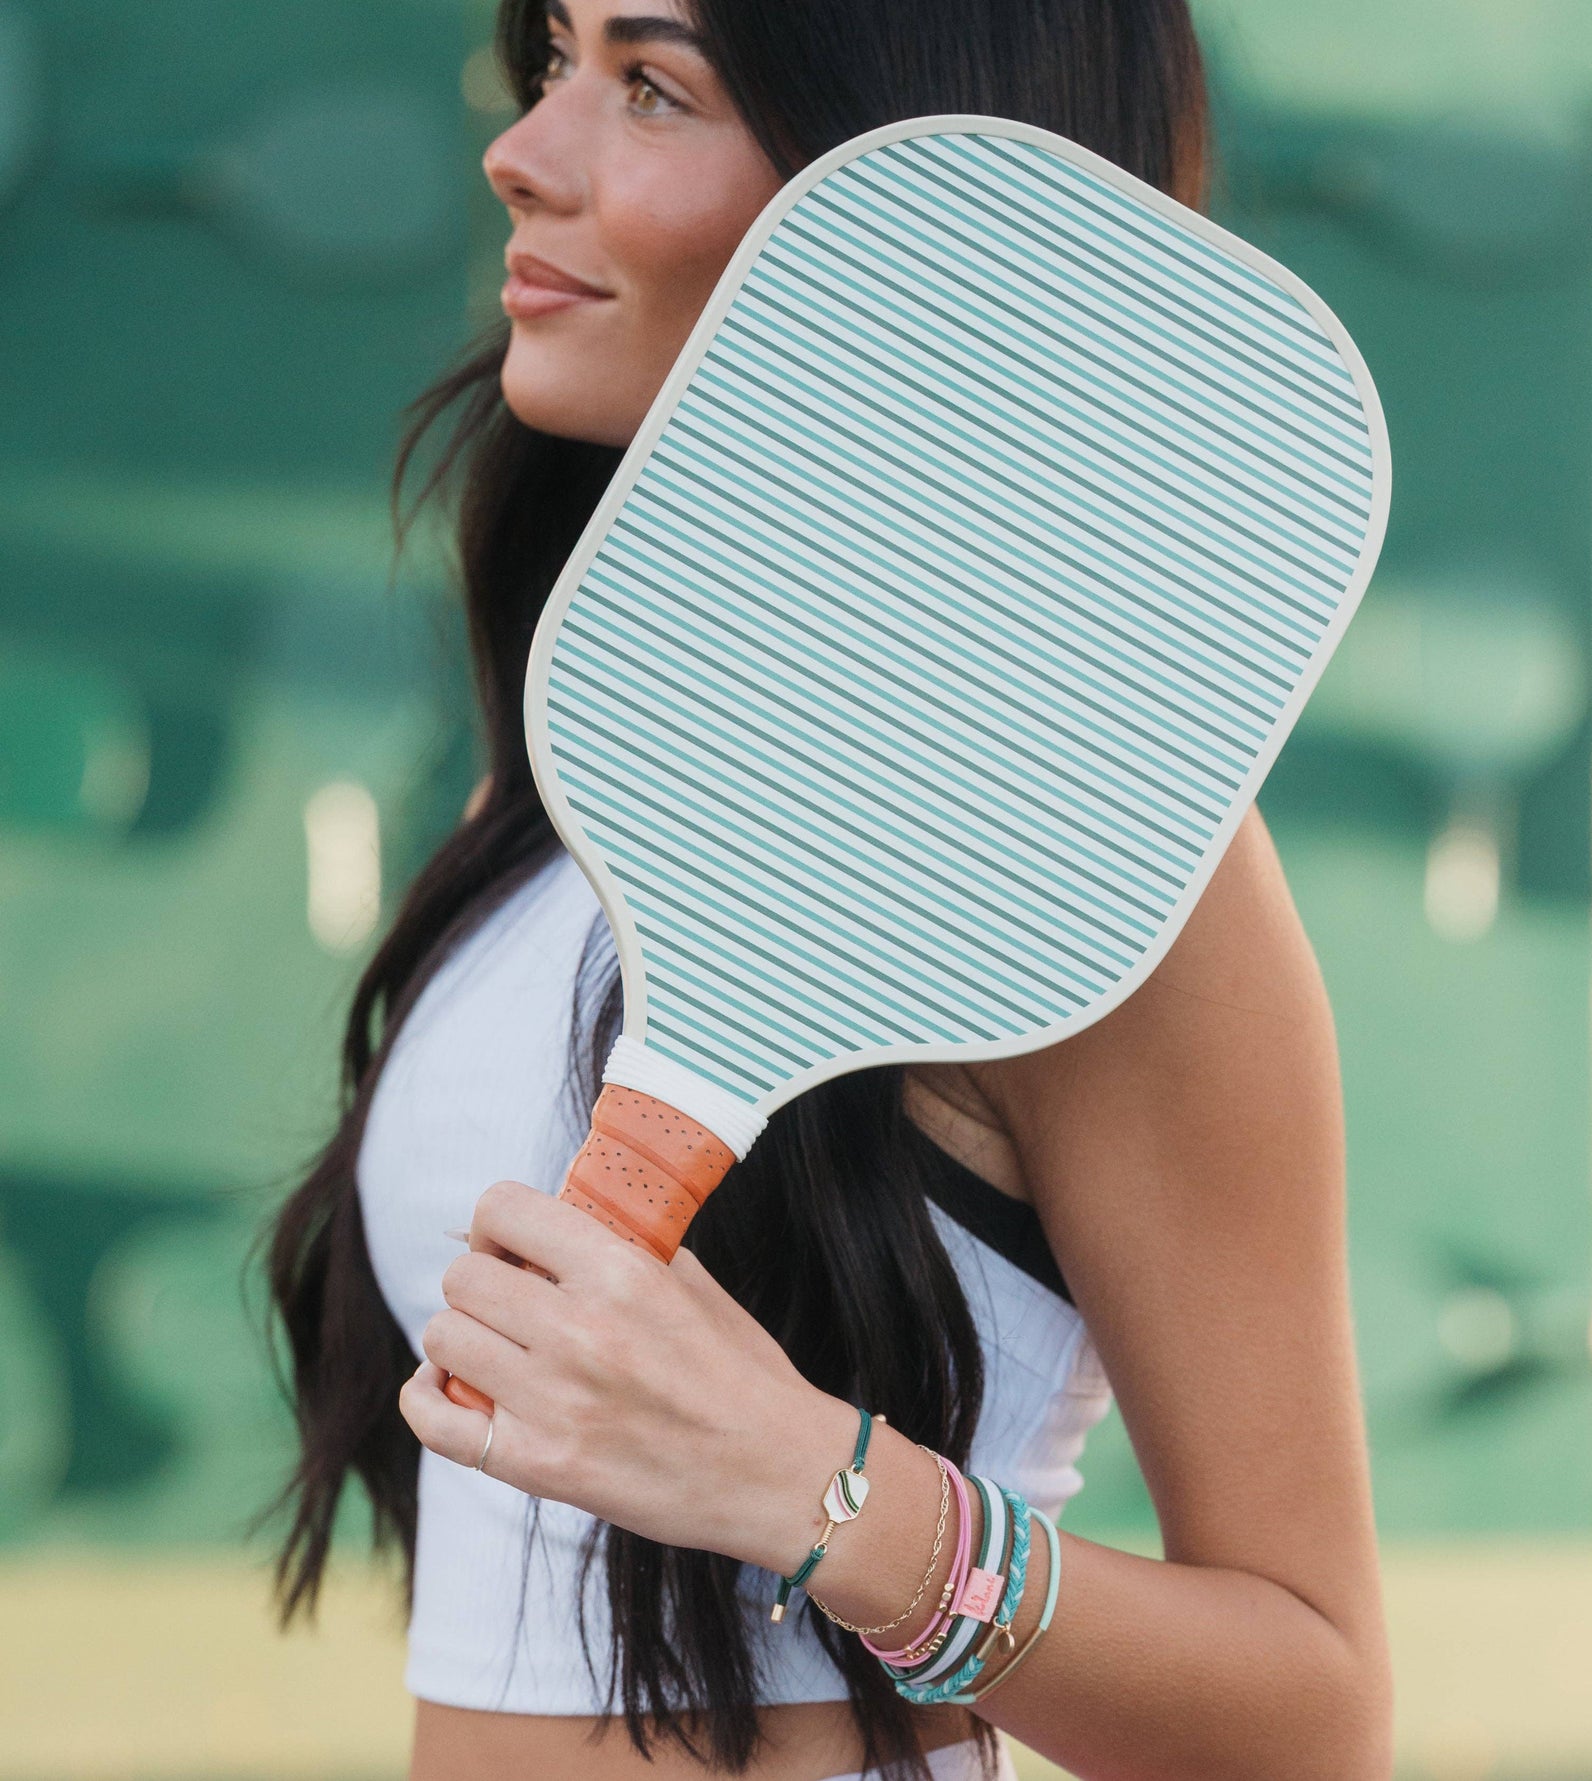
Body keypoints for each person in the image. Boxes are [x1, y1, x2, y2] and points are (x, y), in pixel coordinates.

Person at [267, 1, 1393, 1777]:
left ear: (910, 203)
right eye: (549, 59)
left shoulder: (1107, 859)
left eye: (650, 85)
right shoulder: (580, 757)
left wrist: (810, 1487)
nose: (523, 146)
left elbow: (1312, 1713)